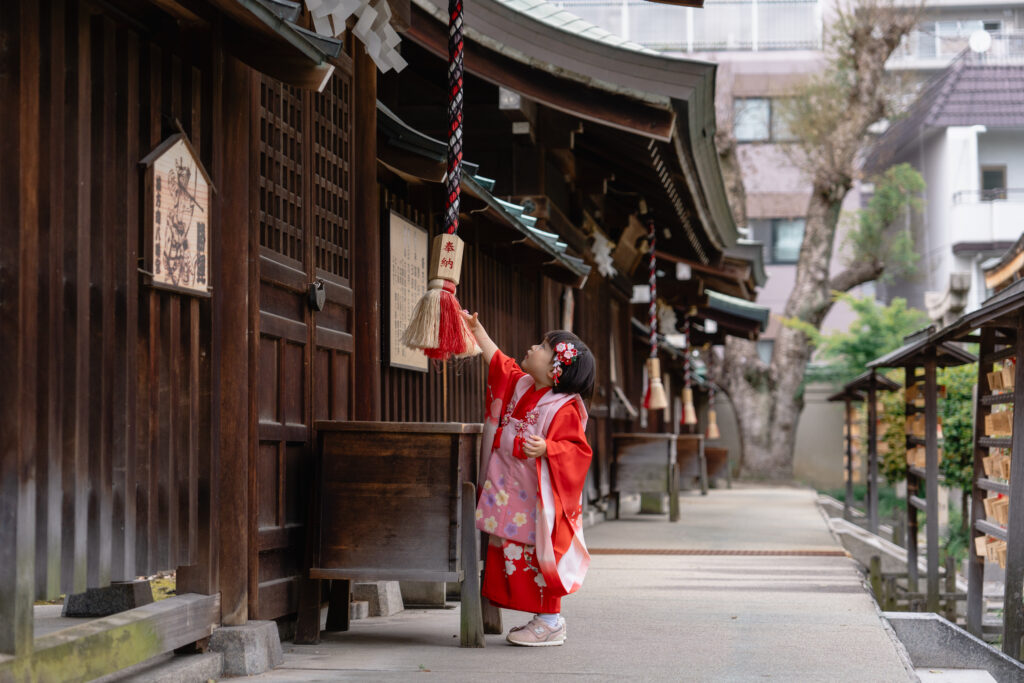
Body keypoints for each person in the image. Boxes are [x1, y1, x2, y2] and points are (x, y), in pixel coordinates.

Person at [461, 310, 595, 647]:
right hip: (510, 491)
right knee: (508, 551)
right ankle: (541, 620)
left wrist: (549, 448)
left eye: (542, 346)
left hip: (539, 500)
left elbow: (578, 451)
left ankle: (551, 621)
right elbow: (500, 362)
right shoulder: (522, 385)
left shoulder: (563, 408)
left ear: (556, 368)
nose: (532, 347)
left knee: (541, 556)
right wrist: (477, 331)